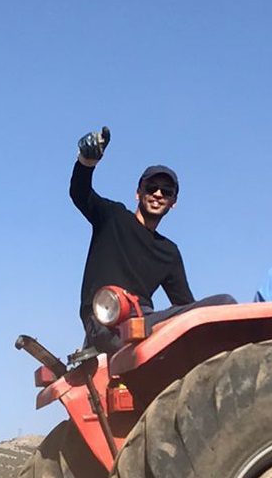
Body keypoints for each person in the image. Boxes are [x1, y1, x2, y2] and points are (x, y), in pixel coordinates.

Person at [70, 126, 194, 344]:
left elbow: (186, 305)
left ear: (173, 202)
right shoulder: (113, 218)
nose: (157, 194)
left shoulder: (169, 252)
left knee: (221, 304)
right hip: (106, 318)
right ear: (138, 193)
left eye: (166, 191)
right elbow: (80, 193)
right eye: (152, 187)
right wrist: (86, 162)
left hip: (144, 319)